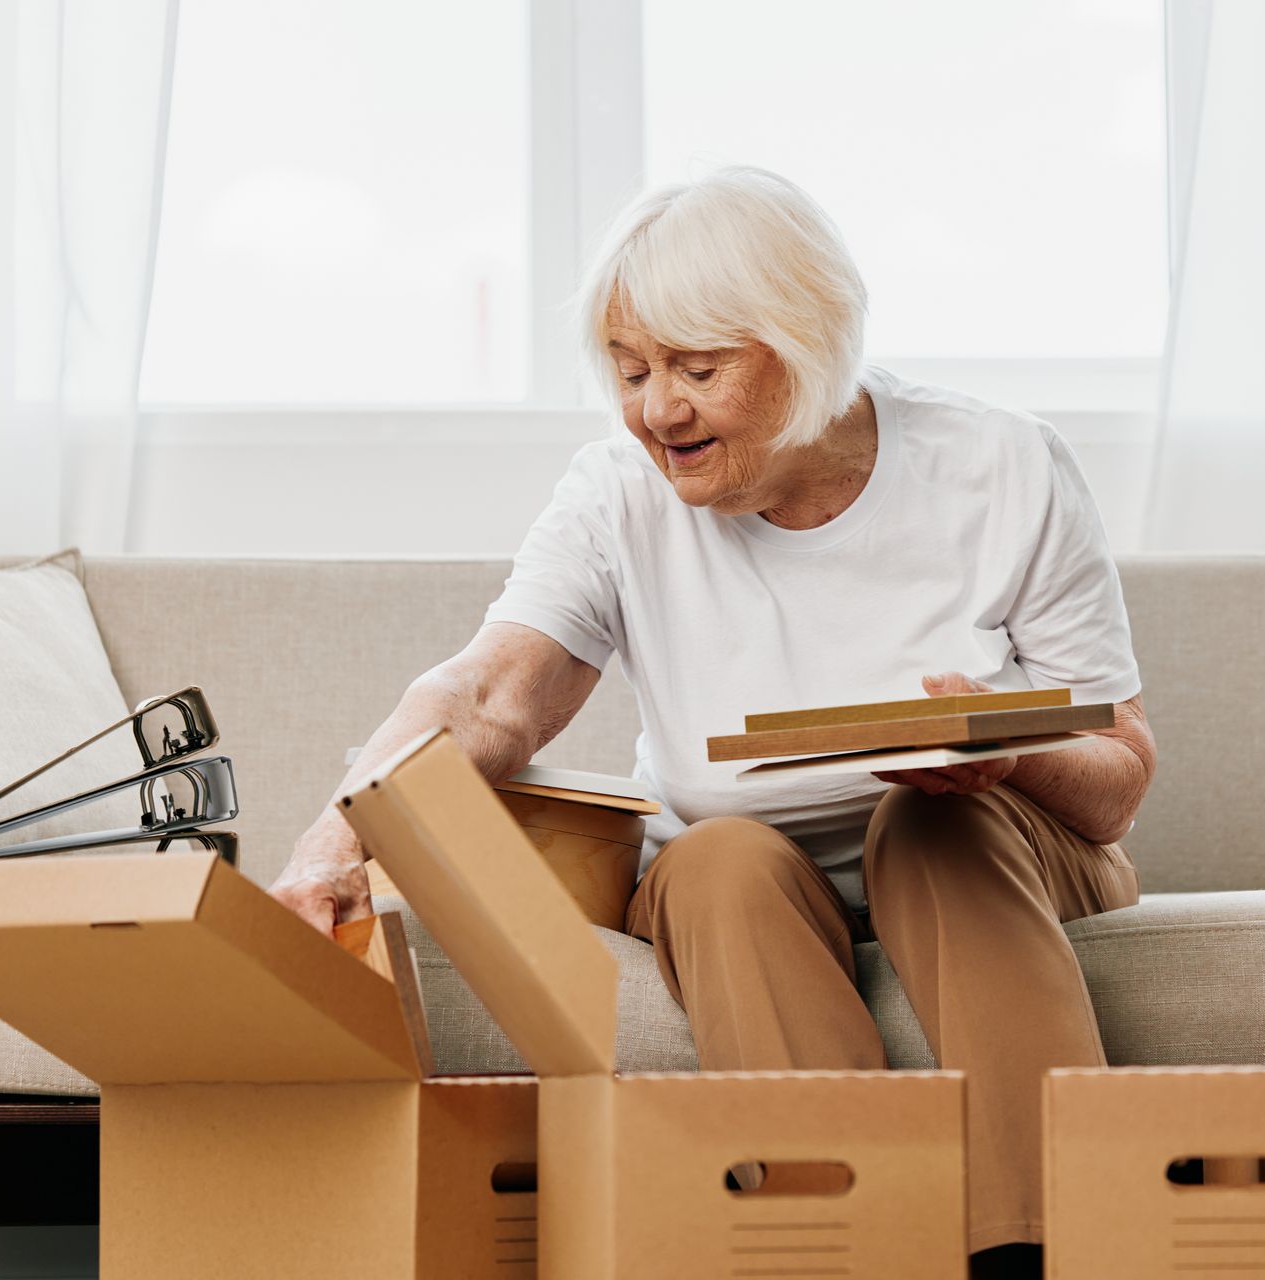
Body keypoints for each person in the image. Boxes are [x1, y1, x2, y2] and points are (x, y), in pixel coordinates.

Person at [271, 166, 1157, 1277]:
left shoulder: (1003, 462)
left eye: (698, 368)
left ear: (811, 341)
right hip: (746, 878)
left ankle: (1044, 1246)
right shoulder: (614, 497)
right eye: (632, 371)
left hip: (999, 850)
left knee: (931, 833)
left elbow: (1121, 771)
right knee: (718, 861)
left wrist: (1008, 745)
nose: (657, 410)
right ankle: (835, 1244)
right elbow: (489, 694)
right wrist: (333, 842)